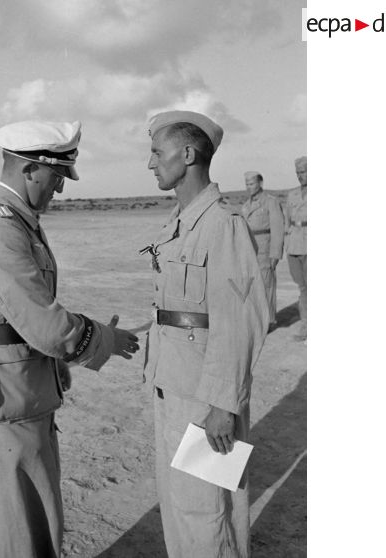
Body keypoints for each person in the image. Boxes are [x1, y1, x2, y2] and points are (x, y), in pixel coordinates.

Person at [0, 120, 139, 558]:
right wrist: (104, 339)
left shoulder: (16, 219)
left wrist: (53, 363)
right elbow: (43, 323)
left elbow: (15, 316)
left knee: (33, 517)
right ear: (31, 168)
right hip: (5, 394)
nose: (60, 189)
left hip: (19, 386)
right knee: (19, 530)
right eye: (56, 178)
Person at [142, 110, 270, 558]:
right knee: (180, 504)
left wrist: (222, 404)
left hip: (204, 394)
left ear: (188, 153)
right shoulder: (180, 223)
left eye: (158, 152)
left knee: (206, 509)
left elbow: (242, 321)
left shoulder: (222, 224)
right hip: (174, 385)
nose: (152, 163)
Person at [240, 171, 285, 331]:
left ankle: (268, 321)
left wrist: (275, 254)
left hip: (265, 249)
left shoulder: (270, 202)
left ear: (260, 183)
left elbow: (278, 228)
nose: (249, 187)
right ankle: (254, 321)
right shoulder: (246, 205)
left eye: (251, 183)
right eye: (247, 184)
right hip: (250, 250)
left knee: (266, 286)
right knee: (251, 287)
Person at [284, 156, 307, 342]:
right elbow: (287, 221)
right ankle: (306, 321)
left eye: (304, 171)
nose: (301, 176)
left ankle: (306, 325)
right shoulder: (292, 195)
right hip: (296, 245)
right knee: (302, 286)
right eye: (298, 172)